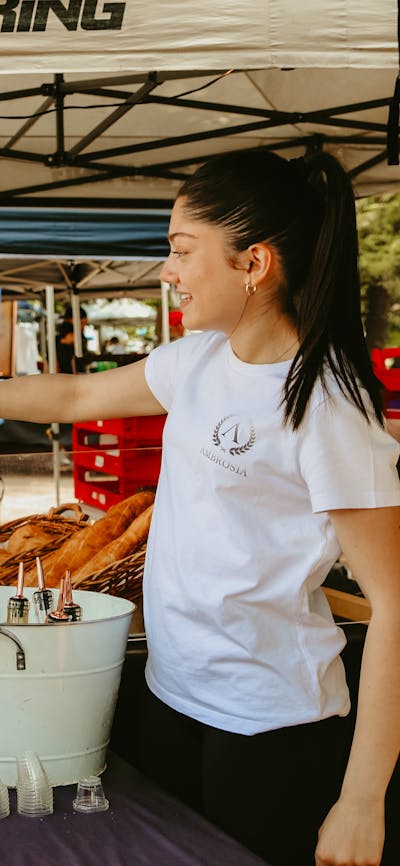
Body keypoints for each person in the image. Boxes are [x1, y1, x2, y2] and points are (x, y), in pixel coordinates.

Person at [0, 149, 399, 866]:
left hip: (270, 730)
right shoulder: (201, 359)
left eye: (182, 251)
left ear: (255, 264)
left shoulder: (327, 406)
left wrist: (363, 800)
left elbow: (396, 605)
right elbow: (76, 396)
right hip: (170, 693)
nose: (167, 271)